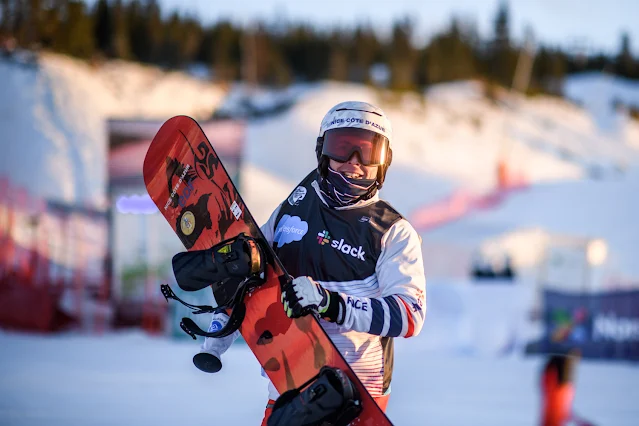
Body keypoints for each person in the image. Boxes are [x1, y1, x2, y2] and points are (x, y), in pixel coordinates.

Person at [197, 101, 427, 425]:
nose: (354, 164)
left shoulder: (392, 231)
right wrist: (217, 339)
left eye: (367, 152)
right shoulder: (295, 207)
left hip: (355, 396)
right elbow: (252, 278)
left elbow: (409, 314)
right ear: (322, 152)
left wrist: (330, 303)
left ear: (384, 161)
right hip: (290, 387)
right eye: (342, 148)